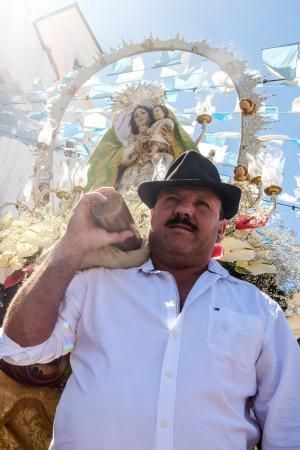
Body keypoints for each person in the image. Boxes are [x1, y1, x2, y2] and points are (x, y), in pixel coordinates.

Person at [1, 150, 300, 450]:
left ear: (221, 229)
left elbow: (287, 425)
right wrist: (71, 246)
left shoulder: (259, 310)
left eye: (202, 204)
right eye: (172, 199)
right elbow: (19, 349)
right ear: (152, 214)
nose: (185, 209)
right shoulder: (97, 284)